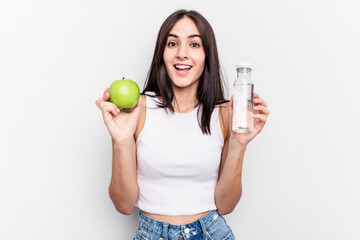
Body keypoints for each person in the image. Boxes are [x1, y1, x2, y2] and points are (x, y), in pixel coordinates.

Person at [96, 9, 269, 240]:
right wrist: (121, 140)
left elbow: (226, 205)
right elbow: (124, 205)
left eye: (194, 45)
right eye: (172, 43)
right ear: (162, 53)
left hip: (211, 233)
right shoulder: (137, 109)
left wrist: (239, 144)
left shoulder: (225, 113)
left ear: (207, 54)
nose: (182, 54)